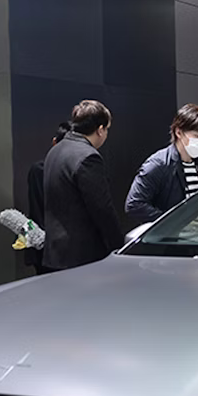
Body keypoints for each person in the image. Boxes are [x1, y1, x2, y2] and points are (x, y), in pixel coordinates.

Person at [42, 100, 124, 271]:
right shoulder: (88, 157)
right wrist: (119, 245)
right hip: (82, 257)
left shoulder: (55, 151)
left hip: (54, 254)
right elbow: (102, 209)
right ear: (100, 130)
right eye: (107, 129)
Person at [126, 103, 198, 225]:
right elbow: (134, 204)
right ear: (179, 132)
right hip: (170, 235)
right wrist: (174, 222)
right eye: (197, 136)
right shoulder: (159, 165)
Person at [26, 122, 71, 274]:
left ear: (54, 142)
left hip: (41, 246)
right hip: (65, 249)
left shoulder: (38, 170)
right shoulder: (75, 173)